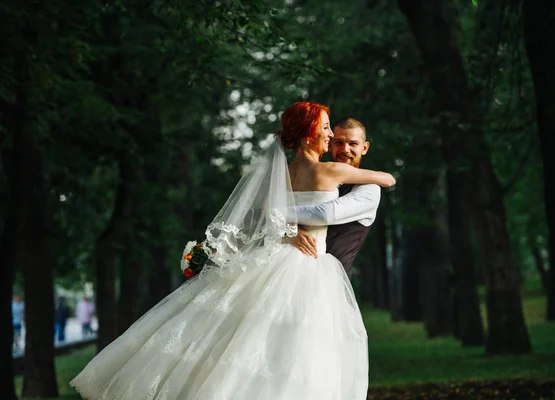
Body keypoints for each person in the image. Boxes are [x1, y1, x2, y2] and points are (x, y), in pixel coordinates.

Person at [70, 102, 395, 400]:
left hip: (277, 257)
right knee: (298, 347)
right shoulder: (332, 172)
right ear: (310, 133)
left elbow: (269, 212)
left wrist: (286, 229)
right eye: (326, 129)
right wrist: (381, 177)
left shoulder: (280, 175)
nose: (330, 136)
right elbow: (386, 179)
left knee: (243, 335)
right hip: (310, 266)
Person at [289, 117, 380, 278]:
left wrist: (276, 215)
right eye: (339, 142)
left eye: (353, 144)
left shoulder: (369, 189)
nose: (345, 149)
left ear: (364, 148)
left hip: (332, 282)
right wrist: (289, 232)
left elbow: (326, 213)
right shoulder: (312, 180)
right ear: (330, 144)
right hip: (291, 272)